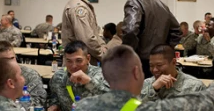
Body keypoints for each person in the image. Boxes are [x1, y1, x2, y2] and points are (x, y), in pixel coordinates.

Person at [75, 45, 214, 111]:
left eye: (159, 65)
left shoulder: (82, 107)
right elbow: (206, 100)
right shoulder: (146, 108)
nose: (154, 70)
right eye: (149, 67)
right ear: (136, 73)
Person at [121, 0, 181, 78]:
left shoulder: (134, 2)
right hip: (159, 64)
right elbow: (177, 30)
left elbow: (130, 31)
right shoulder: (160, 3)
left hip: (140, 62)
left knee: (139, 94)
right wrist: (164, 52)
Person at [61, 0, 107, 65]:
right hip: (77, 66)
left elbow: (94, 34)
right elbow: (87, 39)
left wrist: (104, 47)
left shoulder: (82, 5)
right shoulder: (78, 8)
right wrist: (104, 55)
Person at [47, 40, 109, 111]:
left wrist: (89, 82)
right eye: (69, 61)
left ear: (88, 59)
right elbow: (54, 96)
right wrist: (55, 105)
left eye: (78, 60)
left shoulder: (102, 75)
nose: (74, 66)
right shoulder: (59, 77)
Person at [141, 44, 206, 103]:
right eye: (151, 66)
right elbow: (132, 108)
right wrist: (153, 89)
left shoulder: (195, 87)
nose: (154, 70)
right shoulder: (146, 83)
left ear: (174, 62)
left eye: (159, 65)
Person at [0, 41, 47, 106]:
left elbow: (38, 101)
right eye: (4, 61)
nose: (9, 63)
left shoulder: (30, 75)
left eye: (12, 58)